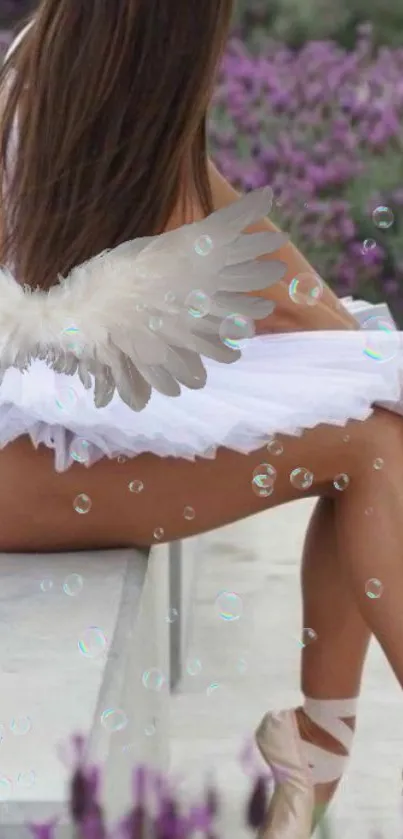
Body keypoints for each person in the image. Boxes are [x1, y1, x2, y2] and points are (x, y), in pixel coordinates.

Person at [0, 2, 403, 837]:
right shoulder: (70, 110)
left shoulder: (63, 76)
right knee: (371, 440)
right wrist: (353, 357)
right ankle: (315, 751)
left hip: (35, 426)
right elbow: (223, 257)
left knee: (369, 416)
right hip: (15, 448)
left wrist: (351, 349)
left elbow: (233, 238)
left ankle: (312, 751)